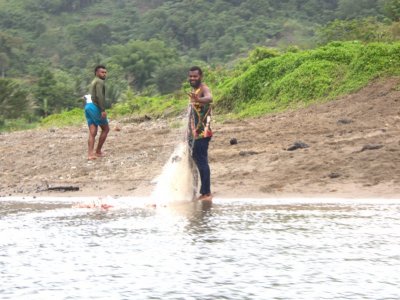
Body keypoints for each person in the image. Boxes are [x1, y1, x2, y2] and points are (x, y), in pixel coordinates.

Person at [188, 66, 213, 202]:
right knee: (194, 161)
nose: (192, 78)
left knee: (202, 161)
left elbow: (209, 98)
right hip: (193, 133)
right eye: (190, 76)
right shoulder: (194, 91)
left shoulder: (203, 88)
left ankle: (206, 193)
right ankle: (197, 191)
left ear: (200, 77)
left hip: (203, 132)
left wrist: (198, 99)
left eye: (195, 76)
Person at [84, 65, 110, 160]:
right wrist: (103, 110)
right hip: (95, 107)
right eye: (102, 72)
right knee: (106, 129)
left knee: (93, 132)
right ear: (97, 73)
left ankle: (90, 154)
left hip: (88, 106)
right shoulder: (99, 82)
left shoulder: (93, 81)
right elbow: (99, 96)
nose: (104, 74)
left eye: (105, 72)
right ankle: (98, 151)